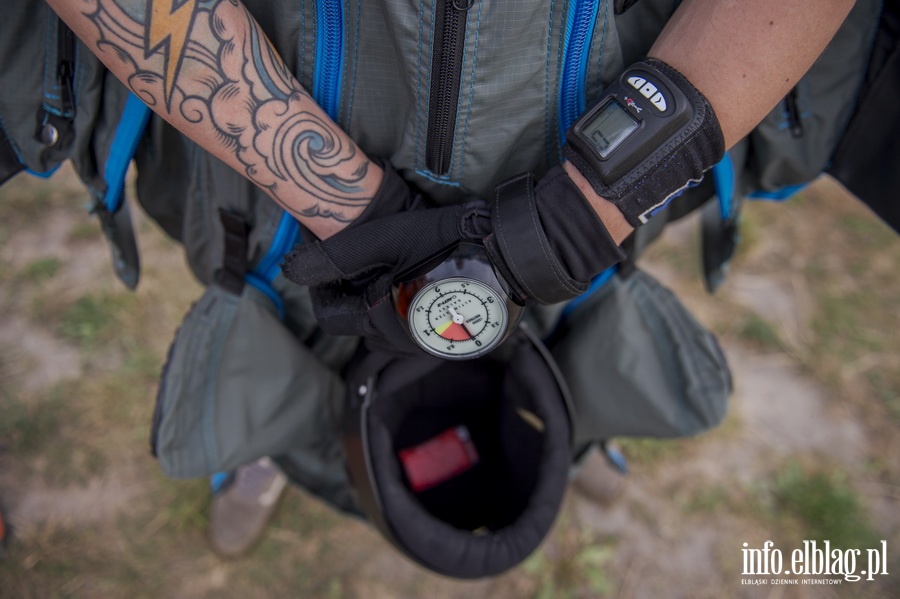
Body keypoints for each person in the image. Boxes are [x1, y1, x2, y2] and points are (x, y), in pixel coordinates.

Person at [43, 0, 857, 558]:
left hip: (599, 165)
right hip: (266, 171)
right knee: (279, 327)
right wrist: (344, 203)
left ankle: (579, 434)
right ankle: (268, 448)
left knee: (564, 342)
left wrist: (583, 211)